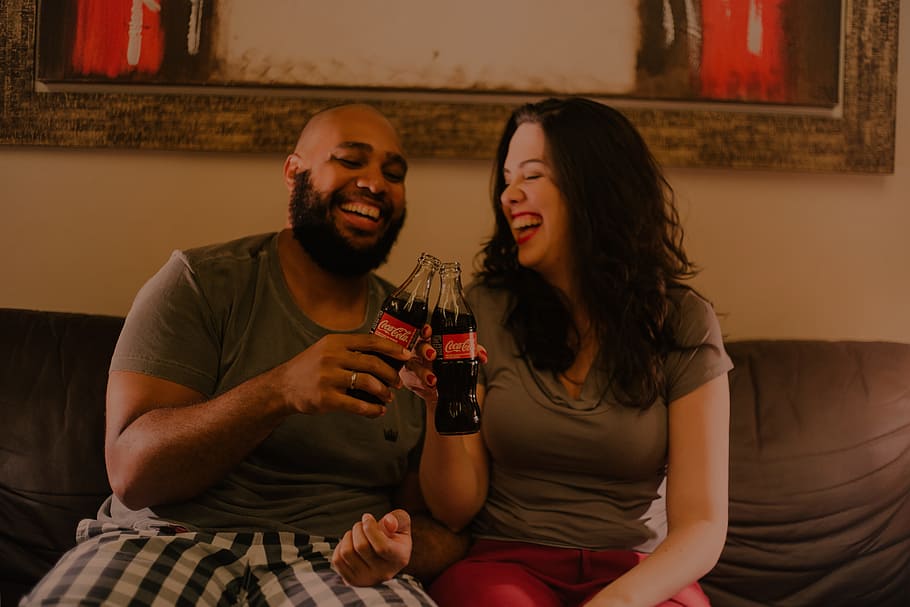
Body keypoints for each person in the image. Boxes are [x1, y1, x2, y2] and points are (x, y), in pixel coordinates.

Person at [21, 103, 468, 606]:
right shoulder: (200, 282)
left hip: (334, 563)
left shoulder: (414, 336)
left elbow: (437, 522)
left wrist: (393, 548)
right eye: (349, 160)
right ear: (293, 172)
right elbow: (131, 473)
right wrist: (280, 391)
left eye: (394, 173)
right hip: (165, 540)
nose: (375, 183)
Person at [417, 97, 733, 607]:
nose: (508, 195)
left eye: (532, 175)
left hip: (638, 577)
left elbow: (702, 525)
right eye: (506, 179)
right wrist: (440, 405)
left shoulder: (684, 321)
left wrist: (616, 603)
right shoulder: (482, 308)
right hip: (506, 567)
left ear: (595, 187)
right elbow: (455, 509)